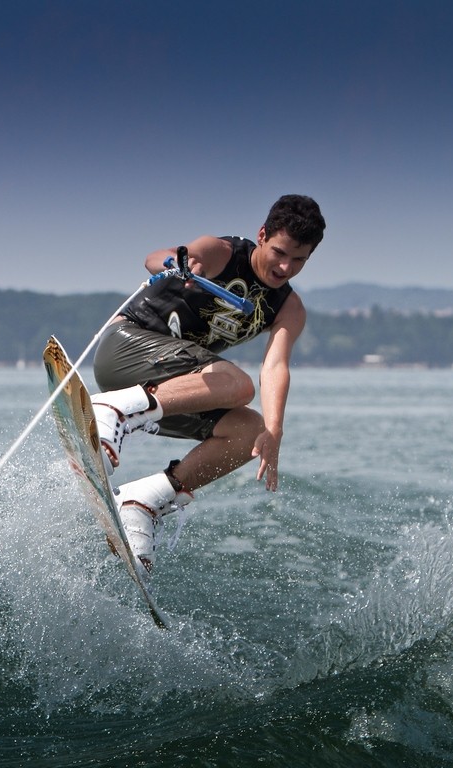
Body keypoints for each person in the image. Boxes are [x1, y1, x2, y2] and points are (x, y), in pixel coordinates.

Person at [91, 194, 326, 572]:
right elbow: (159, 256)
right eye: (280, 252)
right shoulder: (222, 253)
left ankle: (143, 501)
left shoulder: (288, 307)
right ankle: (113, 410)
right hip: (127, 347)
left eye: (299, 260)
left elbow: (276, 365)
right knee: (239, 385)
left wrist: (275, 430)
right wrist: (177, 264)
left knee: (250, 431)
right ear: (262, 235)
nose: (285, 266)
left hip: (168, 387)